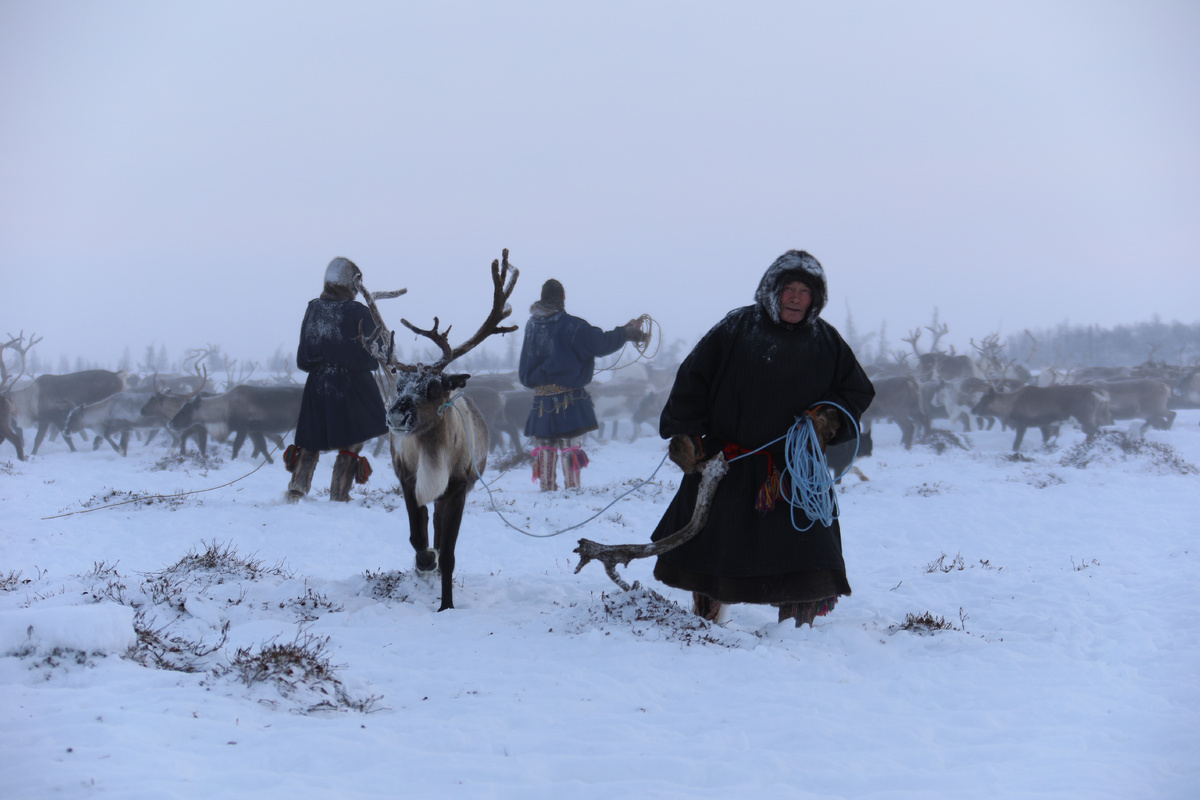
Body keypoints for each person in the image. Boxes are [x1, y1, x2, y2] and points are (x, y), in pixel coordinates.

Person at [650, 250, 875, 626]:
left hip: (796, 471)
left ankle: (797, 631)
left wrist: (829, 417)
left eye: (806, 290)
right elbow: (693, 379)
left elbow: (856, 391)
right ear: (772, 290)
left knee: (807, 553)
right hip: (729, 463)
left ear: (816, 298)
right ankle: (708, 622)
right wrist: (686, 435)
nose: (796, 297)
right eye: (789, 287)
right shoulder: (737, 328)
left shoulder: (826, 340)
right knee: (713, 549)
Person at [519, 278, 648, 491]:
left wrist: (624, 330)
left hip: (541, 400)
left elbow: (525, 368)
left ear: (542, 299)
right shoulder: (572, 326)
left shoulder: (532, 326)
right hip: (569, 398)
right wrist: (625, 333)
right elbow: (600, 342)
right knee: (569, 446)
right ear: (563, 297)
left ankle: (547, 490)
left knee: (545, 446)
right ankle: (573, 491)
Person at [285, 257, 389, 502]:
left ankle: (297, 488)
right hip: (351, 386)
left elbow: (303, 359)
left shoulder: (313, 308)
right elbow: (380, 350)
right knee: (351, 441)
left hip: (318, 384)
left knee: (311, 439)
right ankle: (339, 493)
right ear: (351, 284)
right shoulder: (359, 311)